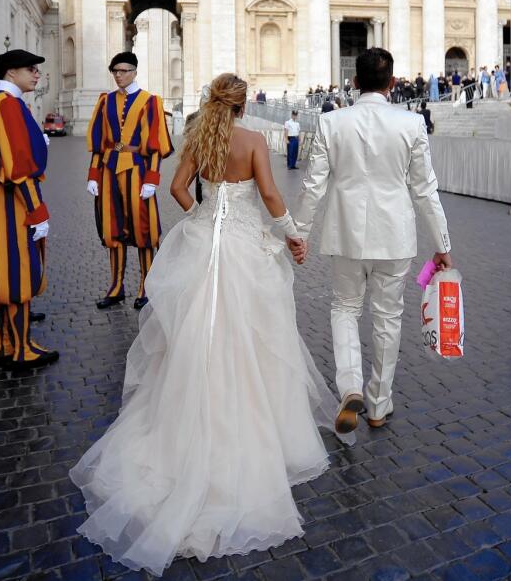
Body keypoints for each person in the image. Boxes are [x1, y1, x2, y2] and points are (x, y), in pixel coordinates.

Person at [71, 73, 346, 576]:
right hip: (244, 246)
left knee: (197, 332)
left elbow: (177, 187)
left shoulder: (200, 137)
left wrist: (202, 216)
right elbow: (268, 194)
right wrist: (292, 236)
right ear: (243, 106)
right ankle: (254, 418)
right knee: (256, 335)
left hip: (206, 241)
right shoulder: (253, 140)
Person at [293, 48, 452, 432]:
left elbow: (313, 185)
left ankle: (349, 385)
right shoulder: (411, 124)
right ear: (392, 83)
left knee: (345, 308)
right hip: (394, 235)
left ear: (354, 82)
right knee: (388, 317)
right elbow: (425, 190)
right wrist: (442, 244)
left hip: (344, 232)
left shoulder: (331, 123)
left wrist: (298, 233)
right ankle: (379, 402)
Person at [0, 49, 57, 371]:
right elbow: (18, 165)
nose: (36, 74)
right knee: (17, 271)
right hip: (13, 199)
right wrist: (37, 210)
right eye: (30, 69)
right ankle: (20, 349)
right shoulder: (8, 106)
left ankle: (3, 344)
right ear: (10, 73)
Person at [86, 52, 174, 311]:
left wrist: (152, 179)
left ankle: (145, 286)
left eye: (123, 71)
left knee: (143, 230)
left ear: (134, 72)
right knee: (113, 230)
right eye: (115, 71)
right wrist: (93, 175)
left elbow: (156, 145)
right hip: (109, 171)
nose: (118, 75)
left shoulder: (150, 101)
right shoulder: (105, 101)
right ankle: (116, 286)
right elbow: (99, 144)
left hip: (138, 170)